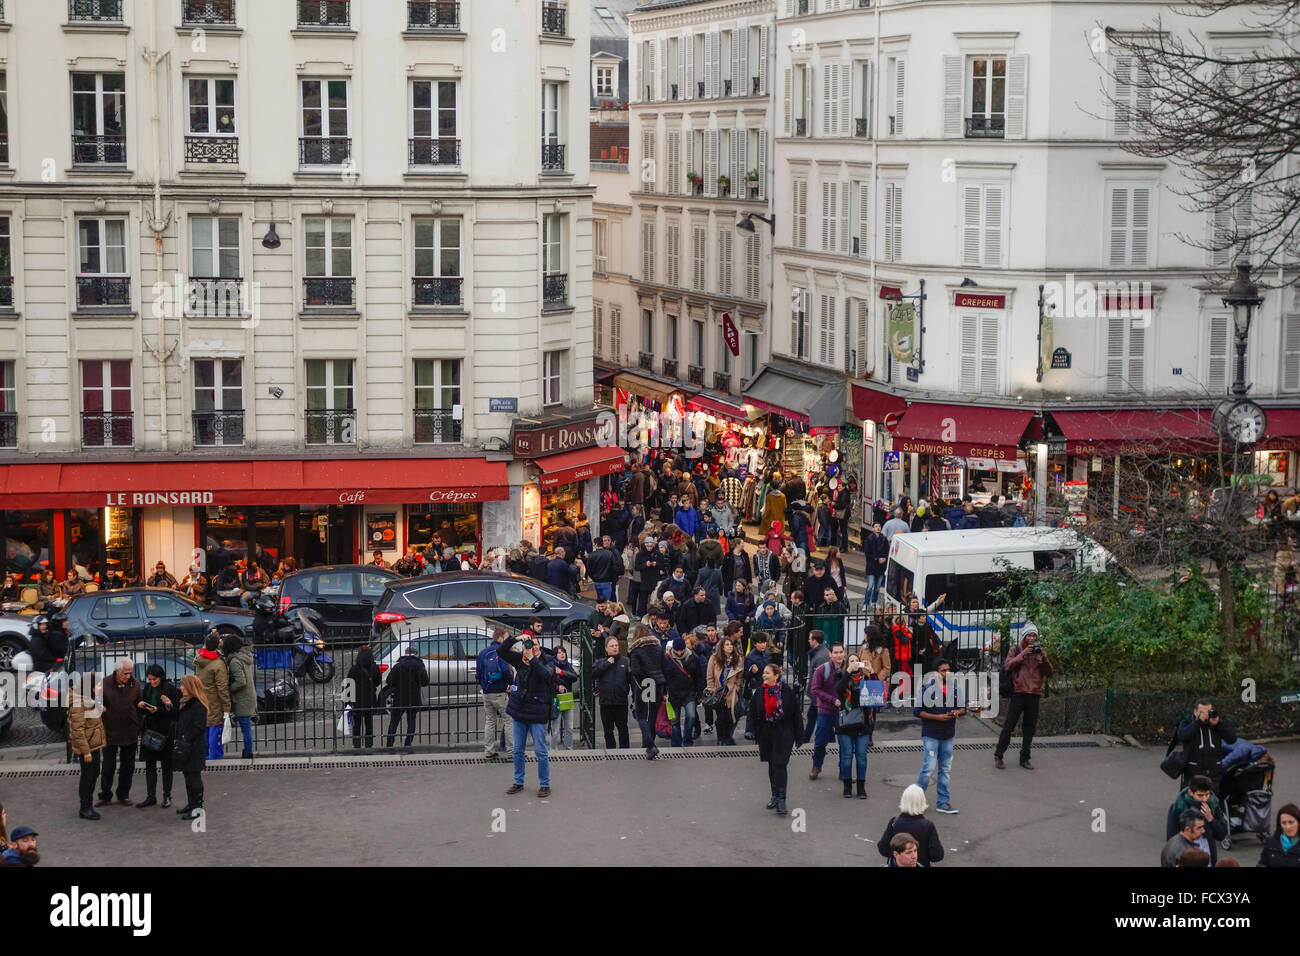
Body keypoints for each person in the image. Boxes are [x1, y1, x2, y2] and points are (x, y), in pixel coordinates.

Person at [497, 631, 556, 797]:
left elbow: (546, 675)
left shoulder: (548, 660)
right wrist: (515, 639)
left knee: (540, 751)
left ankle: (545, 784)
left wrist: (532, 659)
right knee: (517, 750)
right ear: (524, 647)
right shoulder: (519, 660)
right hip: (520, 711)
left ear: (539, 646)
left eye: (535, 644)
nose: (533, 647)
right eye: (529, 645)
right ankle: (518, 781)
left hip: (537, 711)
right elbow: (500, 651)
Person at [995, 623, 1054, 770]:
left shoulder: (1040, 652)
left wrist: (1044, 658)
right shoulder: (1015, 650)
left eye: (1034, 636)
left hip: (1034, 693)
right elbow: (1007, 666)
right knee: (1009, 726)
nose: (1032, 639)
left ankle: (1025, 758)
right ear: (1024, 637)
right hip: (1019, 692)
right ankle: (999, 755)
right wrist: (1023, 654)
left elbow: (1050, 672)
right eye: (1029, 635)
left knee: (1029, 728)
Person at [752, 663, 803, 815]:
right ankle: (774, 795)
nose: (764, 675)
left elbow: (796, 714)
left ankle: (781, 799)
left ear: (776, 676)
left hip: (784, 732)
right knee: (771, 764)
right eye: (763, 673)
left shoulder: (786, 691)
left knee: (780, 764)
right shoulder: (760, 691)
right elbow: (752, 711)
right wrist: (750, 730)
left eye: (767, 673)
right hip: (767, 733)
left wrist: (800, 736)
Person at [914, 658, 964, 815]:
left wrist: (957, 712)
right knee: (928, 768)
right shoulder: (926, 688)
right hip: (931, 734)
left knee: (945, 769)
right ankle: (916, 803)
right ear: (935, 673)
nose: (947, 673)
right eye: (944, 670)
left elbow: (964, 707)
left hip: (948, 734)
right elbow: (917, 711)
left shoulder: (955, 688)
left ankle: (943, 802)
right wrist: (938, 717)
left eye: (949, 670)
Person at [96, 658, 143, 807]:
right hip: (110, 731)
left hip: (130, 731)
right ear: (117, 671)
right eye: (125, 673)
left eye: (130, 673)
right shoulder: (104, 684)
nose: (128, 676)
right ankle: (105, 795)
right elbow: (97, 705)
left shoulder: (135, 684)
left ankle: (123, 794)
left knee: (128, 766)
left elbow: (138, 705)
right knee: (108, 766)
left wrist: (139, 723)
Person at [137, 664, 179, 808]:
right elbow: (144, 711)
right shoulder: (148, 688)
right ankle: (151, 795)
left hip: (165, 731)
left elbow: (174, 713)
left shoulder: (170, 689)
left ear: (160, 677)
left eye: (154, 679)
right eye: (149, 679)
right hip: (150, 730)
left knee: (166, 766)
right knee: (150, 765)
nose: (152, 682)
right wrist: (143, 706)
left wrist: (159, 710)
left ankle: (167, 795)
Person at [836, 652, 877, 798]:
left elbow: (876, 693)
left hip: (863, 723)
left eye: (857, 661)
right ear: (847, 664)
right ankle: (847, 787)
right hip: (846, 723)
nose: (854, 663)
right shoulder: (841, 676)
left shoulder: (865, 679)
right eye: (851, 661)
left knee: (861, 757)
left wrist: (871, 671)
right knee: (846, 757)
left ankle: (861, 788)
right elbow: (839, 689)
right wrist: (847, 672)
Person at [1164, 774, 1228, 866]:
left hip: (1208, 857)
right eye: (1200, 795)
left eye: (1207, 795)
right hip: (1187, 857)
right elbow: (1171, 837)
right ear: (1191, 792)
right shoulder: (1178, 808)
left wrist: (1211, 819)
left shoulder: (1214, 805)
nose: (1204, 799)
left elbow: (1221, 835)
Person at [877, 784, 945, 866]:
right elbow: (937, 855)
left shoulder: (894, 823)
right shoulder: (928, 826)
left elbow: (883, 849)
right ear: (922, 801)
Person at [69, 672, 107, 820]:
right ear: (90, 687)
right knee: (88, 776)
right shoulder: (77, 703)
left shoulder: (87, 698)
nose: (99, 688)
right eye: (98, 685)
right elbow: (78, 730)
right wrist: (86, 752)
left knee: (94, 773)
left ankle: (88, 806)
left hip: (94, 744)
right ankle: (85, 808)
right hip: (88, 747)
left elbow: (90, 714)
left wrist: (98, 708)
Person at [808, 641, 846, 780]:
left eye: (841, 652)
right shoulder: (822, 670)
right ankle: (816, 766)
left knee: (844, 743)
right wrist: (832, 700)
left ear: (844, 652)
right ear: (830, 654)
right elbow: (815, 689)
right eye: (835, 652)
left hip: (844, 711)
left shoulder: (849, 668)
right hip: (825, 711)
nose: (839, 655)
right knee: (820, 741)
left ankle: (844, 770)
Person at [1176, 699, 1237, 787]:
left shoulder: (1217, 724)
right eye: (1202, 712)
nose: (1206, 715)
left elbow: (1232, 739)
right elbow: (1183, 736)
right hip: (1193, 773)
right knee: (1191, 799)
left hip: (1214, 772)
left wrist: (1218, 725)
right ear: (1195, 711)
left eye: (1208, 712)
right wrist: (1199, 722)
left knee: (1215, 798)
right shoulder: (1187, 722)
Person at [173, 674, 209, 821]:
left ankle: (198, 807)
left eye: (183, 685)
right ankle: (191, 804)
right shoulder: (185, 703)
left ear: (191, 687)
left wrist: (185, 737)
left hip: (193, 747)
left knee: (194, 776)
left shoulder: (198, 705)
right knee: (187, 776)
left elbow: (198, 727)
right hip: (186, 746)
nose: (181, 688)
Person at [628, 624, 666, 760]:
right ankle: (650, 747)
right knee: (652, 716)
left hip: (646, 683)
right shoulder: (658, 647)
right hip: (659, 683)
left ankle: (650, 745)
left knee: (641, 715)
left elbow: (636, 671)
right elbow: (665, 666)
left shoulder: (636, 651)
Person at [476, 628, 514, 760]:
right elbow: (505, 670)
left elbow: (478, 674)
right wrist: (511, 683)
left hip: (486, 692)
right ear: (501, 639)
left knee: (490, 721)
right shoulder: (501, 652)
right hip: (500, 693)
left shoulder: (482, 653)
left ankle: (489, 751)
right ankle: (511, 752)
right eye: (507, 638)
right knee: (509, 720)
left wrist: (485, 686)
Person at [194, 633, 232, 760]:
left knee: (205, 728)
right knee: (215, 730)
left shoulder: (199, 658)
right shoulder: (218, 664)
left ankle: (204, 756)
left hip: (201, 698)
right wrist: (227, 706)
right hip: (214, 701)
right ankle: (215, 758)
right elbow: (222, 688)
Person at [663, 636, 705, 747]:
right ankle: (676, 742)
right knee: (674, 721)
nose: (680, 652)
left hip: (689, 692)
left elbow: (699, 676)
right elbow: (663, 677)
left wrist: (700, 692)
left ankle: (687, 740)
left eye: (681, 650)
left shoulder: (693, 657)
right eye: (677, 650)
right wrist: (664, 692)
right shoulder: (667, 658)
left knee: (691, 715)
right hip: (673, 694)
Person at [384, 645, 429, 747]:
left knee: (394, 722)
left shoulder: (398, 666)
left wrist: (398, 684)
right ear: (416, 654)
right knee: (411, 721)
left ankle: (390, 743)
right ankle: (408, 742)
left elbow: (389, 681)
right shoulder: (419, 666)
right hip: (414, 698)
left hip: (400, 698)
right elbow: (425, 682)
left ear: (406, 653)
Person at [593, 636, 631, 749]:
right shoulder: (601, 662)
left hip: (621, 701)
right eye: (612, 646)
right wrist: (606, 664)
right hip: (606, 701)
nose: (615, 648)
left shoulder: (625, 661)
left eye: (616, 646)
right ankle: (611, 751)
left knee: (623, 728)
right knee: (608, 730)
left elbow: (630, 679)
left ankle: (625, 751)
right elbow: (593, 675)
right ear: (606, 648)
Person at [706, 634, 744, 745]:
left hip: (731, 693)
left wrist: (736, 687)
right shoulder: (714, 658)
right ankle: (720, 738)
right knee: (721, 717)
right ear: (722, 647)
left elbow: (740, 676)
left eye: (731, 644)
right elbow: (710, 676)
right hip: (718, 692)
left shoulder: (738, 659)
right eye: (727, 644)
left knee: (730, 716)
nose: (730, 646)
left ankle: (728, 737)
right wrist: (712, 689)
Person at [223, 634, 256, 759]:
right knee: (246, 728)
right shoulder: (244, 657)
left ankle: (248, 753)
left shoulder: (235, 661)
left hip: (242, 700)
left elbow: (241, 681)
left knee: (245, 728)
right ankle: (248, 751)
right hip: (248, 697)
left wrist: (229, 689)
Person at [346, 643, 382, 749]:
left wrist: (347, 702)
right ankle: (369, 745)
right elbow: (378, 682)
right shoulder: (374, 668)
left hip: (357, 701)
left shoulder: (354, 669)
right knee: (369, 724)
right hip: (370, 700)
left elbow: (348, 684)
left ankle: (356, 745)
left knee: (356, 725)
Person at [548, 644, 579, 751]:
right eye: (559, 652)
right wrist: (557, 687)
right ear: (555, 655)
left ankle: (569, 748)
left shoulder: (567, 665)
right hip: (556, 699)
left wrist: (561, 672)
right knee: (555, 728)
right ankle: (553, 750)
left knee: (569, 728)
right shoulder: (551, 665)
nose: (562, 654)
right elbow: (548, 682)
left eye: (563, 652)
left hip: (567, 698)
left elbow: (574, 677)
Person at [802, 629, 830, 741]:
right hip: (817, 695)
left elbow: (821, 678)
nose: (808, 641)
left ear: (815, 640)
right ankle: (805, 738)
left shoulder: (820, 657)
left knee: (819, 719)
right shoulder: (819, 653)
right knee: (812, 717)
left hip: (818, 696)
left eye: (810, 638)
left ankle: (806, 739)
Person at [587, 535, 624, 602]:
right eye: (604, 541)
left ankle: (602, 611)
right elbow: (614, 568)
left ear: (596, 544)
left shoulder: (592, 555)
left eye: (608, 540)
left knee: (600, 600)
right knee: (608, 601)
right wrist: (612, 579)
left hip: (598, 581)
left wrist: (594, 578)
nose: (606, 542)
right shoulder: (610, 554)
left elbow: (589, 569)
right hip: (607, 581)